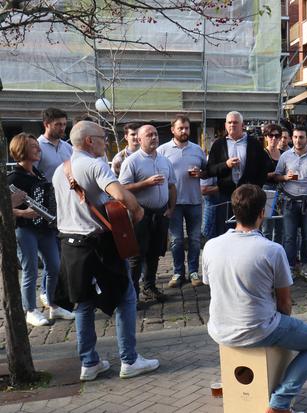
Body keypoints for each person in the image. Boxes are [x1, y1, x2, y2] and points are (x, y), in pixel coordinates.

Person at [203, 184, 307, 413]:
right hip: (258, 329)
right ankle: (280, 402)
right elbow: (284, 303)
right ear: (262, 212)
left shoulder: (210, 246)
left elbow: (211, 285)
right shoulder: (272, 249)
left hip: (219, 328)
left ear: (234, 211)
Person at [52, 120, 159, 381]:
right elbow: (121, 195)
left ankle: (89, 363)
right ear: (89, 140)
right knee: (125, 297)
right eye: (102, 137)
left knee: (84, 304)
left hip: (70, 245)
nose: (106, 141)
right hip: (98, 245)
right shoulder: (94, 165)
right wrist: (137, 211)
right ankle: (129, 360)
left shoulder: (59, 171)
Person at [8, 133, 75, 326]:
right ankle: (30, 310)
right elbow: (3, 208)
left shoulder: (37, 174)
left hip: (44, 228)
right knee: (30, 270)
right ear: (21, 150)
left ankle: (53, 305)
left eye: (37, 145)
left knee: (54, 266)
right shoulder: (13, 177)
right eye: (33, 146)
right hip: (24, 229)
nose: (38, 149)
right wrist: (21, 213)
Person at [119, 124, 177, 303]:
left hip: (161, 215)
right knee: (137, 255)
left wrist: (171, 208)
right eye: (149, 135)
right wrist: (146, 183)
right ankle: (132, 294)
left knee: (154, 253)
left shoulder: (164, 160)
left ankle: (149, 287)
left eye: (156, 134)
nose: (154, 137)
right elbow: (121, 188)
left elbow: (172, 185)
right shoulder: (132, 161)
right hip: (140, 215)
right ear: (139, 139)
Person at [157, 115, 208, 288]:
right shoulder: (162, 150)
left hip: (194, 201)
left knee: (194, 239)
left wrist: (200, 174)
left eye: (187, 128)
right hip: (174, 203)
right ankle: (178, 272)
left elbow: (207, 171)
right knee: (176, 240)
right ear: (173, 130)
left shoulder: (197, 149)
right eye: (181, 128)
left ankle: (193, 271)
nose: (184, 131)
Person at [273, 125, 307, 279]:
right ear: (291, 138)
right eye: (295, 137)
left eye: (301, 137)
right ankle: (289, 266)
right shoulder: (285, 156)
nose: (298, 140)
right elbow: (277, 176)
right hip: (289, 201)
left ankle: (305, 264)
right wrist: (285, 178)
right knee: (289, 236)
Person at [205, 111, 269, 236]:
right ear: (225, 125)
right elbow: (210, 170)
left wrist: (256, 188)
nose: (232, 125)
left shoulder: (254, 143)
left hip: (248, 196)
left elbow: (263, 168)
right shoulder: (218, 144)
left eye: (235, 122)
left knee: (248, 231)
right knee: (224, 231)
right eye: (229, 122)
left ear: (242, 125)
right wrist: (226, 165)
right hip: (225, 196)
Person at [262, 123, 285, 245]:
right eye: (270, 135)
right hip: (267, 190)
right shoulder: (262, 154)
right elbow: (258, 175)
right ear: (266, 137)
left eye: (277, 136)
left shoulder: (283, 154)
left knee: (281, 227)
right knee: (267, 227)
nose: (274, 139)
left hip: (282, 190)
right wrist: (274, 174)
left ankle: (278, 255)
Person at [35, 107, 72, 181]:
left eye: (64, 124)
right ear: (46, 124)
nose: (62, 128)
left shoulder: (68, 147)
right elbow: (30, 174)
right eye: (58, 124)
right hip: (47, 191)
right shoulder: (36, 146)